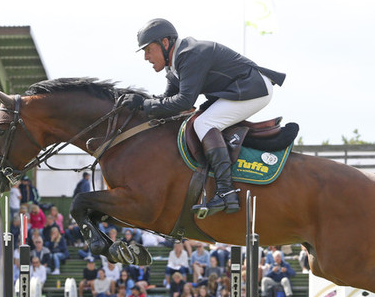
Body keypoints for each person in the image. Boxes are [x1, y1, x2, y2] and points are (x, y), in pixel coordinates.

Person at [122, 18, 285, 216]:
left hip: (253, 88)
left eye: (148, 50)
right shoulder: (174, 65)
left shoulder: (190, 55)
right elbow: (167, 100)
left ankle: (226, 191)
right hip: (239, 89)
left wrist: (144, 104)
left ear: (165, 43)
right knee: (202, 120)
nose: (146, 57)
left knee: (203, 123)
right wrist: (140, 103)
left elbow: (183, 102)